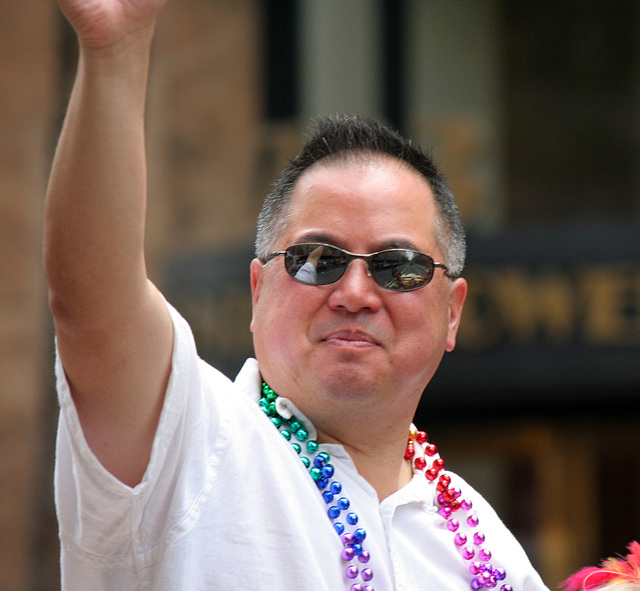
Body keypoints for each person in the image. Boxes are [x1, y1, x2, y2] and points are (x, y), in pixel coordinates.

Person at [44, 1, 550, 590]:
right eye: (317, 260)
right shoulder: (190, 441)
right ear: (259, 291)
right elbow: (92, 307)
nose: (356, 293)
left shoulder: (485, 544)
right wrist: (114, 51)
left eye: (398, 266)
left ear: (453, 311)